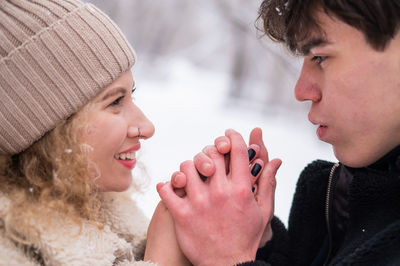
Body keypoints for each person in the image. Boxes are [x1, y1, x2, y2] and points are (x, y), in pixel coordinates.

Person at [157, 0, 400, 265]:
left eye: (320, 57)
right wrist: (259, 244)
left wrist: (229, 258)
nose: (301, 90)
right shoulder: (335, 200)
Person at [0, 0, 191, 265]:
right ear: (47, 130)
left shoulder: (114, 219)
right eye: (115, 101)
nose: (146, 127)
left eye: (131, 95)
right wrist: (165, 259)